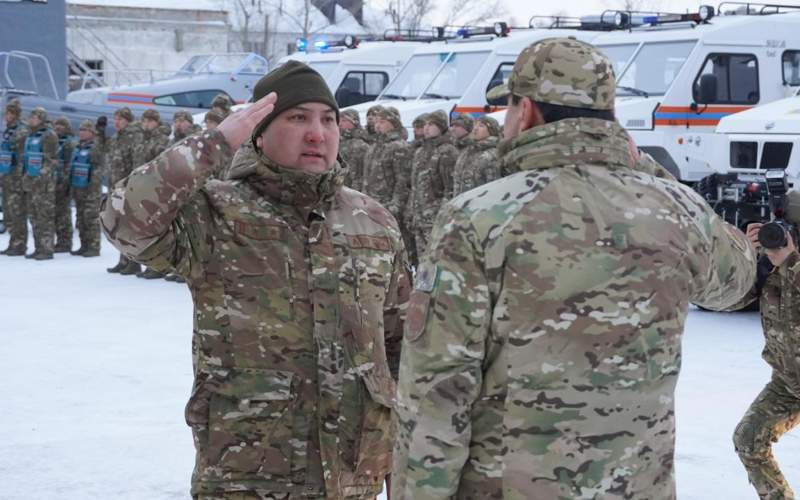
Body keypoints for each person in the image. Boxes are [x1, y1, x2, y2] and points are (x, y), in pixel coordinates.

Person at [391, 38, 758, 500]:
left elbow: (436, 391)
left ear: (525, 111)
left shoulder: (479, 216)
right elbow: (738, 282)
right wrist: (648, 170)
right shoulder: (676, 209)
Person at [100, 60, 410, 499]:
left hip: (353, 478)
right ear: (258, 131)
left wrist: (403, 468)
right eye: (297, 118)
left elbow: (401, 349)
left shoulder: (372, 221)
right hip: (248, 474)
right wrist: (216, 142)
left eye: (328, 119)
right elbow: (123, 221)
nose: (317, 134)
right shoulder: (216, 211)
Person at [730, 199, 800, 500]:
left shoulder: (789, 262)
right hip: (787, 381)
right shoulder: (770, 265)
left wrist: (791, 260)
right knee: (748, 438)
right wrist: (743, 253)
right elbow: (729, 301)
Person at [408, 110, 457, 257]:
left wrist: (441, 214)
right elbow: (414, 185)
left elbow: (450, 189)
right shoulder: (420, 152)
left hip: (435, 218)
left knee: (437, 258)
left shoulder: (447, 152)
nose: (426, 128)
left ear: (441, 127)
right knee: (422, 260)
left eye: (431, 124)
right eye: (425, 124)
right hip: (419, 217)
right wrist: (411, 210)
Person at [105, 107, 145, 274]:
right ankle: (123, 259)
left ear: (128, 120)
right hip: (116, 187)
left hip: (127, 187)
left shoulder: (134, 137)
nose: (117, 122)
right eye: (115, 119)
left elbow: (137, 163)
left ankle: (133, 262)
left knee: (130, 227)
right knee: (119, 226)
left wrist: (132, 185)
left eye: (120, 119)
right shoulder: (116, 138)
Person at [22, 107, 59, 260]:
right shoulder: (30, 135)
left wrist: (42, 175)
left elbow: (52, 160)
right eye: (31, 117)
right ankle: (38, 247)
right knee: (34, 216)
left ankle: (47, 249)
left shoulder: (49, 135)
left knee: (44, 216)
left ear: (42, 119)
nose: (31, 120)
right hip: (31, 181)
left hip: (44, 183)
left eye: (35, 117)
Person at [0, 99, 30, 256]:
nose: (6, 116)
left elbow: (19, 153)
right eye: (6, 113)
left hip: (17, 177)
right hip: (7, 176)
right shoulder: (8, 130)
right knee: (9, 211)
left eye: (10, 113)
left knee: (18, 211)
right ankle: (13, 242)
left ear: (16, 115)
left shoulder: (21, 130)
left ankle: (19, 244)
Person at [69, 119, 103, 257]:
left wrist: (92, 185)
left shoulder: (96, 147)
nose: (82, 133)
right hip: (78, 186)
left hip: (91, 189)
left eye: (85, 130)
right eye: (81, 130)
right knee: (80, 217)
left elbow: (99, 167)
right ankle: (84, 245)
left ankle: (93, 246)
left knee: (91, 217)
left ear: (92, 132)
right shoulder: (78, 146)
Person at [451, 115, 501, 196]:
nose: (475, 128)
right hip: (460, 205)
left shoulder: (492, 155)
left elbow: (494, 189)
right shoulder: (466, 151)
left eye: (481, 126)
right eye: (475, 125)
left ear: (491, 131)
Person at [53, 116, 75, 252]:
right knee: (56, 213)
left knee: (64, 214)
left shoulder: (69, 143)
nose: (58, 127)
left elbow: (70, 164)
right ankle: (60, 241)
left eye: (61, 125)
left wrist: (65, 182)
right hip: (53, 182)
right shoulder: (55, 141)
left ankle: (65, 242)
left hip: (64, 183)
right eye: (57, 124)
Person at [338, 109, 369, 191]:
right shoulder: (336, 142)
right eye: (339, 120)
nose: (340, 124)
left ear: (354, 122)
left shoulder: (361, 145)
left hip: (353, 190)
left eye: (344, 120)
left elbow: (361, 174)